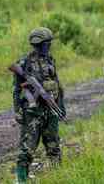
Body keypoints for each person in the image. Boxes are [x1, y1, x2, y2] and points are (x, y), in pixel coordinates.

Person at [12, 27, 66, 183]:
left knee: (54, 146)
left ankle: (58, 177)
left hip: (51, 110)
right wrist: (18, 111)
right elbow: (16, 89)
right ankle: (22, 179)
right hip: (33, 112)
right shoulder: (24, 62)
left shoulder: (50, 59)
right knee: (27, 149)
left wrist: (61, 105)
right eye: (44, 44)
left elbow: (57, 83)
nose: (46, 47)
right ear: (36, 44)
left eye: (48, 44)